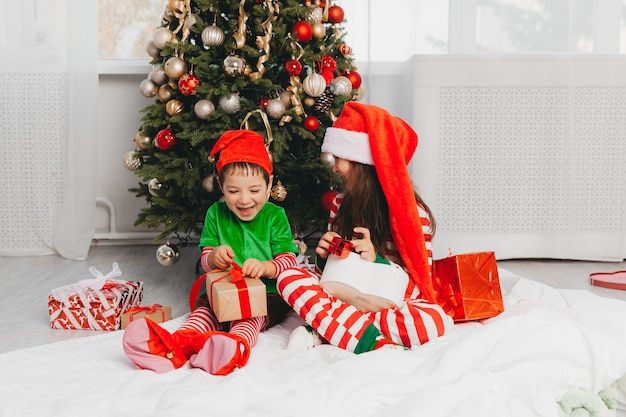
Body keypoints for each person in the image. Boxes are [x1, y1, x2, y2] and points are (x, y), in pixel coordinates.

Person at [277, 102, 454, 353]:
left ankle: (326, 328)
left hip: (385, 300)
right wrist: (323, 256)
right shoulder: (340, 203)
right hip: (343, 292)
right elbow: (330, 278)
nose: (335, 167)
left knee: (434, 323)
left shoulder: (415, 215)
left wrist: (377, 260)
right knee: (288, 276)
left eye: (340, 158)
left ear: (363, 164)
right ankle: (372, 340)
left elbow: (418, 287)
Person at [123, 129, 299, 375]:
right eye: (234, 191)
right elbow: (206, 261)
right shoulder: (216, 214)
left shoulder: (275, 216)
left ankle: (233, 346)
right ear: (221, 185)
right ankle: (174, 346)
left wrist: (267, 267)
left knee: (249, 316)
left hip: (264, 294)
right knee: (205, 311)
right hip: (222, 289)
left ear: (269, 183)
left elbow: (288, 259)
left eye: (255, 190)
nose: (245, 200)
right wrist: (215, 257)